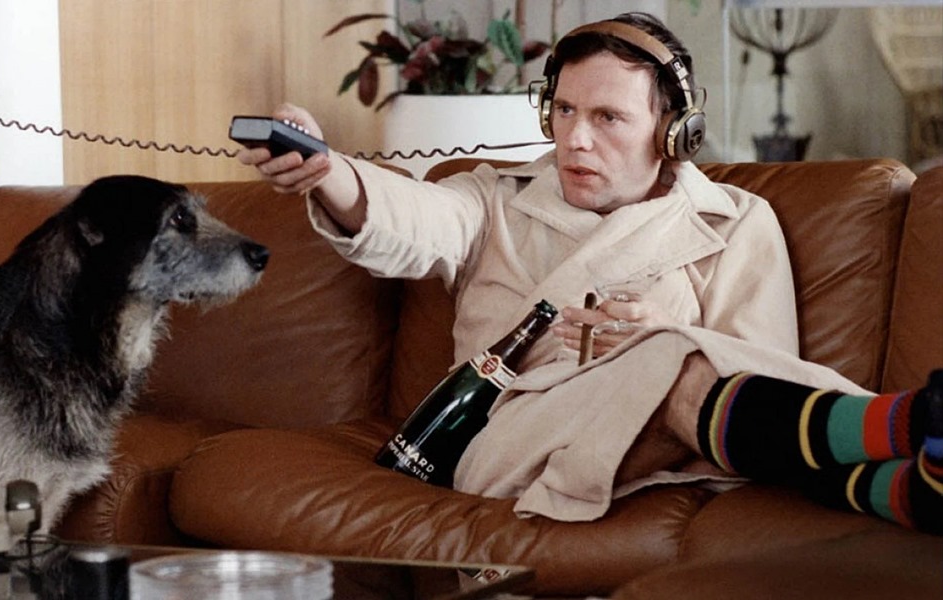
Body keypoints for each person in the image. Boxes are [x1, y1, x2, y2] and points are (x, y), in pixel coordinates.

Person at [239, 12, 942, 535]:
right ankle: (912, 423)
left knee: (668, 356)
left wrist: (662, 334)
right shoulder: (492, 200)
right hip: (505, 441)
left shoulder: (734, 221)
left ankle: (906, 491)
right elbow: (411, 217)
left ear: (672, 131)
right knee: (667, 357)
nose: (576, 138)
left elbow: (764, 368)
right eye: (566, 110)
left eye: (608, 117)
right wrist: (328, 173)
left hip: (671, 441)